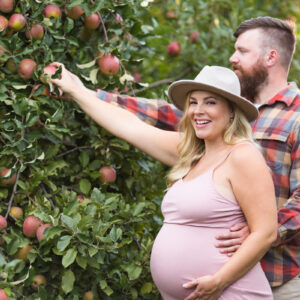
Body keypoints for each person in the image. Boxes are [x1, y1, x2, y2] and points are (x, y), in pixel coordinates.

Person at [87, 16, 300, 299]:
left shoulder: (295, 118)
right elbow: (160, 114)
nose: (232, 57)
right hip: (213, 278)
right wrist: (88, 94)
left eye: (242, 51)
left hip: (278, 277)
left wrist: (262, 230)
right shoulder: (214, 120)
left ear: (271, 56)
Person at [51, 63, 278, 299]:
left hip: (229, 293)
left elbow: (265, 233)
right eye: (193, 102)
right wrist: (76, 90)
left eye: (210, 102)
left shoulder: (242, 155)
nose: (198, 111)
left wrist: (219, 282)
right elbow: (129, 126)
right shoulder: (192, 153)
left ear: (232, 111)